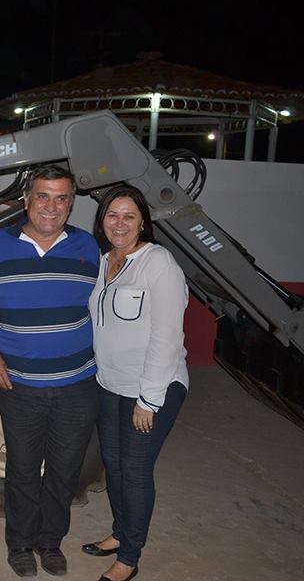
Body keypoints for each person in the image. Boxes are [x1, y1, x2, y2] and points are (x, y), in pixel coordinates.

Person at [0, 165, 100, 578]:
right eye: (44, 196)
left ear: (70, 203)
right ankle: (20, 545)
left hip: (77, 384)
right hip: (20, 385)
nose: (52, 206)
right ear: (26, 200)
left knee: (64, 470)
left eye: (62, 198)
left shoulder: (89, 247)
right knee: (23, 470)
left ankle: (50, 542)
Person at [81, 186, 189, 581]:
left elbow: (167, 335)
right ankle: (119, 533)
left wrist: (150, 398)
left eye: (129, 216)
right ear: (102, 220)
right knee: (114, 465)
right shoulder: (102, 260)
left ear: (143, 220)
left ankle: (129, 557)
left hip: (152, 387)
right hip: (109, 384)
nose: (120, 223)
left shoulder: (158, 262)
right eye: (112, 215)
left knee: (135, 469)